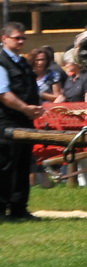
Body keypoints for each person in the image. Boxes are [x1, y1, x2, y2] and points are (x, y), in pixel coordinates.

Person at [0, 23, 43, 220]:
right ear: (4, 38)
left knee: (23, 165)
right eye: (17, 38)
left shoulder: (23, 62)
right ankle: (1, 210)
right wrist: (26, 109)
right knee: (5, 166)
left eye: (23, 38)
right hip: (6, 123)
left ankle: (19, 209)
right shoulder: (1, 62)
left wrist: (36, 108)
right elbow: (3, 94)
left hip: (25, 121)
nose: (21, 41)